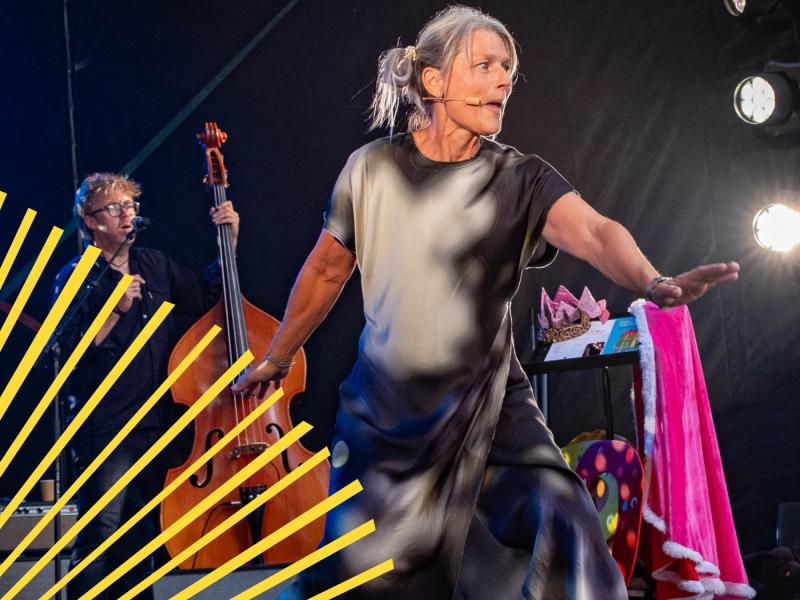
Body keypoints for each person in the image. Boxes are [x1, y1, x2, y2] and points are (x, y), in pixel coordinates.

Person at [233, 6, 739, 599]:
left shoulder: (521, 179)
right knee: (366, 581)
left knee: (566, 521)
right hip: (388, 419)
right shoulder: (372, 169)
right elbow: (325, 270)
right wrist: (277, 356)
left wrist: (653, 281)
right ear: (433, 80)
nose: (502, 81)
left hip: (491, 410)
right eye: (485, 66)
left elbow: (596, 233)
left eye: (507, 70)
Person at [53, 172, 239, 599]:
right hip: (106, 427)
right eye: (114, 208)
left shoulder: (155, 265)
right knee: (100, 533)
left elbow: (206, 300)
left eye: (130, 206)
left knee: (142, 538)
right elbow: (66, 354)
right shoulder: (77, 276)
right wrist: (115, 310)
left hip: (157, 422)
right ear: (90, 221)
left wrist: (227, 243)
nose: (127, 215)